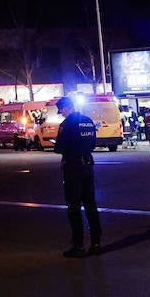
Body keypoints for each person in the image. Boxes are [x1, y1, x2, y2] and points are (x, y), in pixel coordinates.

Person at [52, 96, 102, 257]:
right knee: (91, 206)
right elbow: (93, 144)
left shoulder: (66, 125)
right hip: (88, 165)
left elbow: (59, 147)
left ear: (66, 108)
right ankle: (96, 243)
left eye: (61, 111)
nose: (61, 114)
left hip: (73, 167)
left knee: (73, 207)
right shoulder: (88, 121)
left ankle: (78, 246)